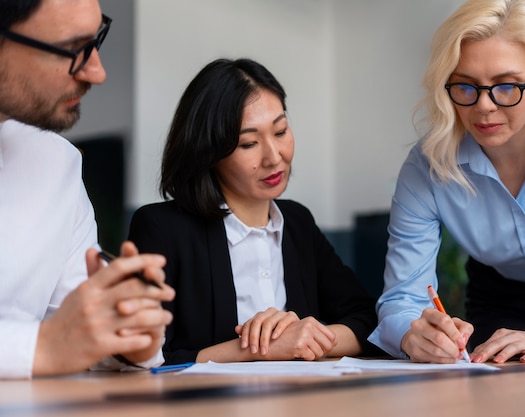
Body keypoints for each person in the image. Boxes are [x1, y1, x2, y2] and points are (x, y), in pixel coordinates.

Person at [368, 0, 525, 365]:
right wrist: (413, 334)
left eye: (507, 86)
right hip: (500, 299)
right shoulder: (426, 167)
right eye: (465, 86)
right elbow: (401, 297)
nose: (484, 106)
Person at [127, 58, 380, 365]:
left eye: (281, 131)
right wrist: (258, 348)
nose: (274, 157)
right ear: (209, 151)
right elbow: (142, 358)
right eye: (248, 143)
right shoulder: (162, 229)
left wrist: (309, 339)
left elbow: (369, 321)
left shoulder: (297, 222)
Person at [0, 0, 175, 378]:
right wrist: (40, 348)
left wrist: (127, 333)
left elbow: (76, 334)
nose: (97, 71)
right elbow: (54, 346)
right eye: (71, 49)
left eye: (96, 40)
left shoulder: (56, 163)